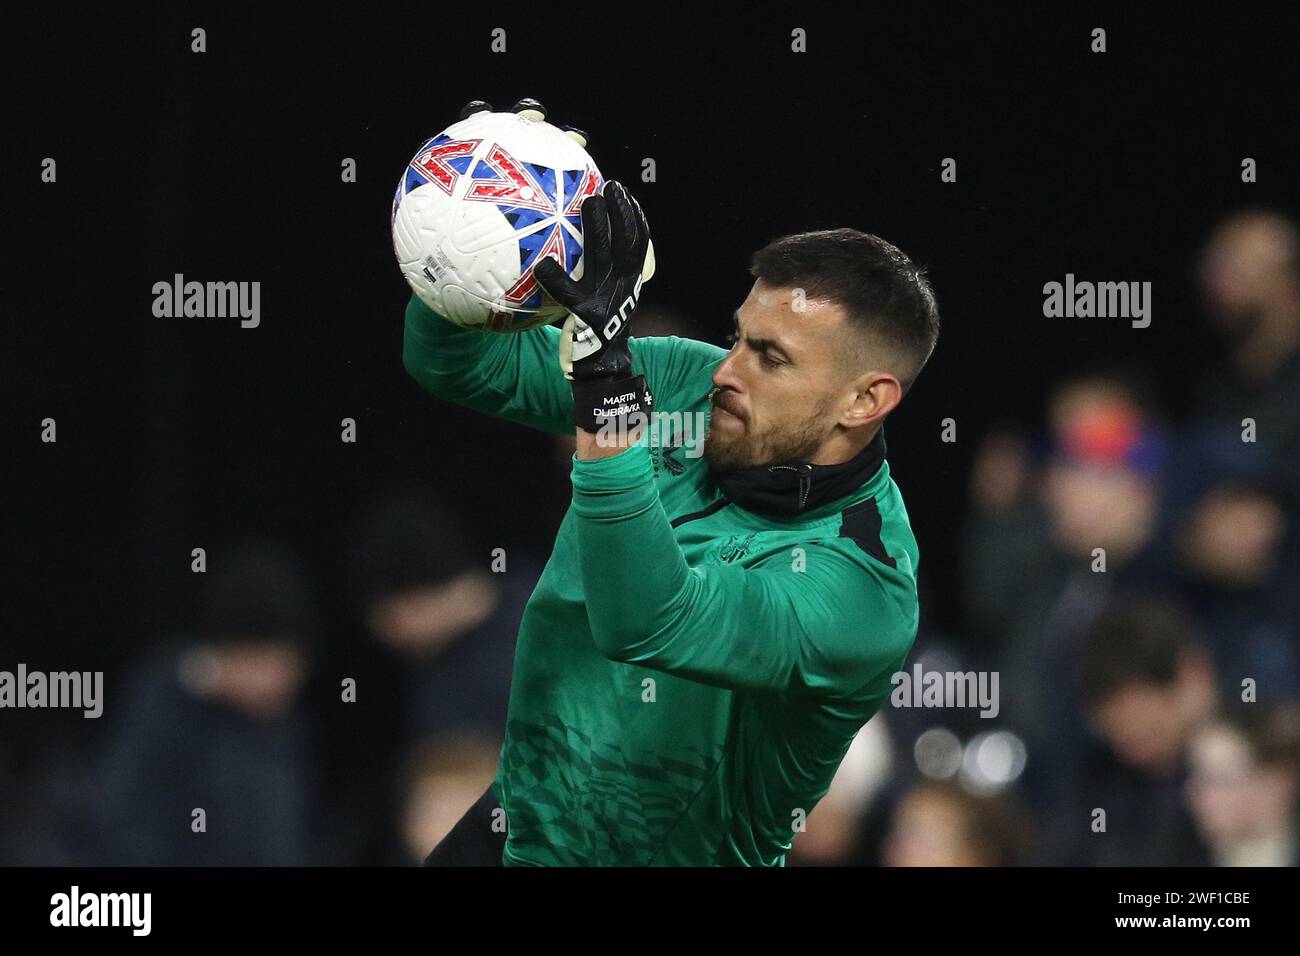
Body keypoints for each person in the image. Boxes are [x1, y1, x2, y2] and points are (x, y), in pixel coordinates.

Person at [406, 98, 939, 866]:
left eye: (771, 356)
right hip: (517, 830)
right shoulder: (689, 384)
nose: (727, 370)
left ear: (867, 400)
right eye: (737, 337)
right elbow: (452, 364)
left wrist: (608, 415)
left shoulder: (862, 585)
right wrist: (475, 241)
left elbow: (647, 620)